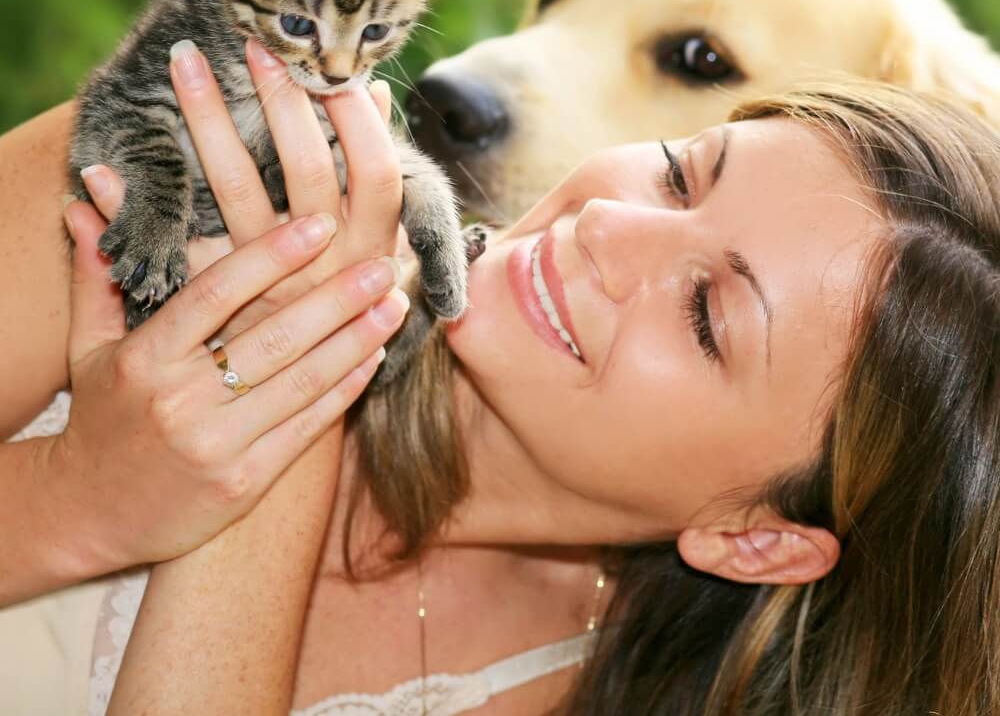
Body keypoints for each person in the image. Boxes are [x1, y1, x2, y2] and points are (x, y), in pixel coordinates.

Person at [1, 37, 998, 716]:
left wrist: (259, 413)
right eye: (677, 172)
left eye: (707, 315)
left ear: (758, 540)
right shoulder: (206, 181)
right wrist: (70, 498)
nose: (610, 226)